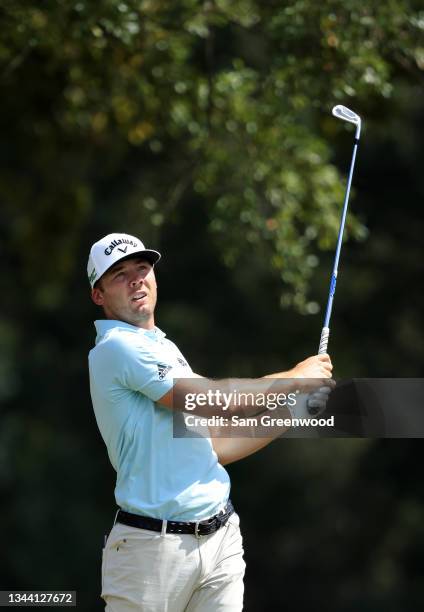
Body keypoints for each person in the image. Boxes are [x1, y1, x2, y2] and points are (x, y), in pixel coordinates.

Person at [87, 232, 333, 612]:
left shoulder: (162, 347)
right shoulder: (117, 349)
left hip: (220, 539)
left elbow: (214, 447)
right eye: (119, 274)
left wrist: (295, 410)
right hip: (152, 553)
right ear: (98, 295)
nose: (136, 278)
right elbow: (216, 401)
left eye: (142, 267)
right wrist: (295, 377)